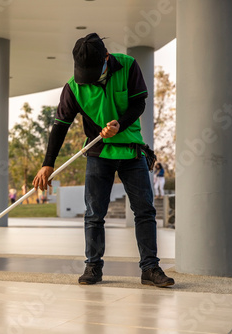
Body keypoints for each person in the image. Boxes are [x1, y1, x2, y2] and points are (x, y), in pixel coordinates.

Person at [32, 33, 174, 287]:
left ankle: (150, 268)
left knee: (144, 211)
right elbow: (60, 126)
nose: (86, 79)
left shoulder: (128, 65)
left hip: (131, 150)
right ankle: (93, 266)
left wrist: (120, 124)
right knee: (94, 214)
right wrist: (48, 163)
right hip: (99, 154)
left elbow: (138, 103)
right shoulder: (73, 87)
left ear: (106, 58)